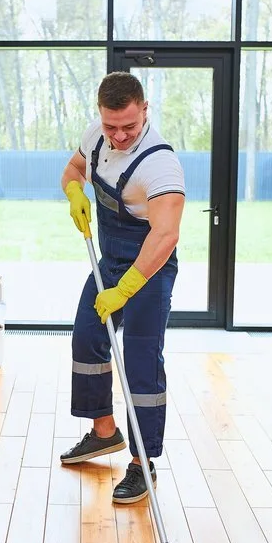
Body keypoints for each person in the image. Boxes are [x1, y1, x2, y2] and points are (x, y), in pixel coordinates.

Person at [58, 72, 185, 504]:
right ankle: (104, 432)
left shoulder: (160, 163)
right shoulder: (97, 136)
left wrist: (126, 288)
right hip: (109, 259)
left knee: (141, 361)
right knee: (87, 340)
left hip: (148, 268)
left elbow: (165, 236)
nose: (119, 135)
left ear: (145, 109)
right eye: (111, 125)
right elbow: (74, 168)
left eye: (128, 125)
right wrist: (75, 192)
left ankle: (142, 462)